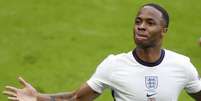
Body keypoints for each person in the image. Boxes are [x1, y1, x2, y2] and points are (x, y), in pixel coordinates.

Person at [3, 3, 201, 101]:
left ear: (164, 31)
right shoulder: (114, 65)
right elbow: (75, 98)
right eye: (138, 21)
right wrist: (37, 97)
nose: (141, 26)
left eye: (150, 23)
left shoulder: (181, 65)